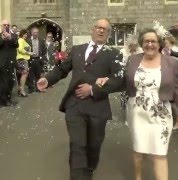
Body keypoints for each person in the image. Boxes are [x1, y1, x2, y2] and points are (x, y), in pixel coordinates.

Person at [37, 18, 124, 180]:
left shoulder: (114, 54)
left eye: (105, 29)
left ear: (109, 34)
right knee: (78, 145)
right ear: (92, 29)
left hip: (98, 108)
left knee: (93, 145)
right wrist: (47, 79)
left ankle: (90, 166)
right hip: (74, 105)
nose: (101, 31)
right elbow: (62, 69)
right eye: (98, 27)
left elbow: (119, 79)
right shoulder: (77, 49)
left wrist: (94, 89)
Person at [96, 28, 178, 180]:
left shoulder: (171, 63)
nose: (150, 44)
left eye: (153, 41)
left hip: (161, 113)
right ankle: (138, 177)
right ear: (141, 43)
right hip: (137, 111)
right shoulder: (133, 60)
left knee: (160, 152)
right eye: (146, 41)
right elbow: (124, 82)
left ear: (159, 44)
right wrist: (107, 80)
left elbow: (177, 88)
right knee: (139, 150)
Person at [0, 19, 19, 106]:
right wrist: (2, 38)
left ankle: (8, 98)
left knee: (11, 82)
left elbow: (16, 44)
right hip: (0, 63)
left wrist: (9, 38)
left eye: (8, 25)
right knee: (3, 82)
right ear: (1, 26)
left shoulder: (13, 36)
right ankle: (4, 100)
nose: (6, 26)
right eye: (4, 25)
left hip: (10, 63)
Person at [27, 27, 46, 93]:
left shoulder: (41, 41)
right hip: (30, 59)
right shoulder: (27, 40)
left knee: (38, 75)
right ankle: (31, 88)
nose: (35, 34)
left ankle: (38, 87)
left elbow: (44, 50)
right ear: (31, 33)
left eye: (37, 32)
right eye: (34, 32)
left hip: (38, 60)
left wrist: (42, 58)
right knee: (30, 74)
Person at [16, 29, 33, 97]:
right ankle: (22, 91)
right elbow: (20, 49)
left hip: (23, 59)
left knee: (23, 74)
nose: (26, 35)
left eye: (26, 34)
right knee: (24, 74)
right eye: (24, 34)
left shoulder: (22, 40)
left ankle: (21, 90)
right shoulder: (20, 40)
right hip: (22, 59)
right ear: (21, 34)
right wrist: (28, 52)